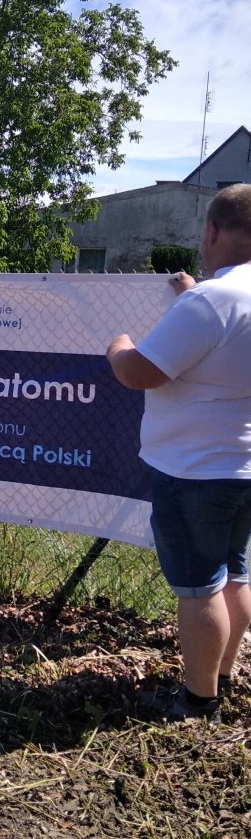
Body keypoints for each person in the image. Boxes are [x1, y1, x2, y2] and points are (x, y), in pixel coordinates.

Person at [106, 183, 251, 724]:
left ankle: (197, 701)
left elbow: (140, 372)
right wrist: (194, 292)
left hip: (194, 471)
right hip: (242, 467)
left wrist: (117, 346)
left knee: (198, 588)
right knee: (234, 575)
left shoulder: (211, 303)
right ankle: (225, 673)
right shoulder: (219, 298)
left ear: (213, 231)